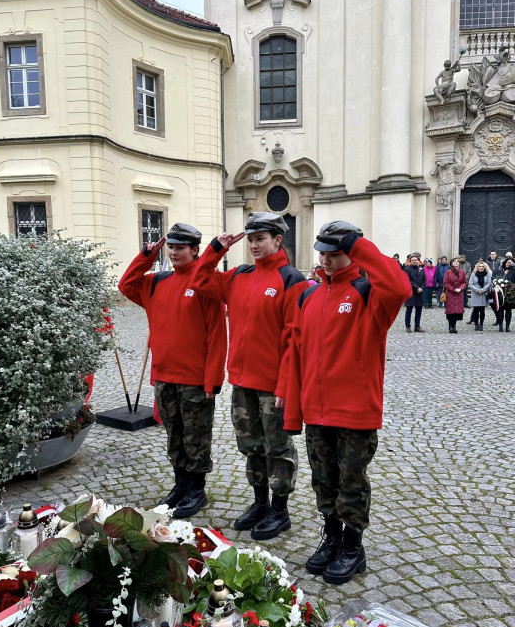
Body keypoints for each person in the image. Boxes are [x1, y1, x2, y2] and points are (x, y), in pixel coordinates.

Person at [284, 221, 411, 584]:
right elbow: (298, 354)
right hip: (316, 410)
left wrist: (359, 245)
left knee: (351, 482)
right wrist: (296, 408)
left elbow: (400, 285)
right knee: (324, 481)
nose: (325, 260)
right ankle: (332, 537)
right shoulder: (309, 296)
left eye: (334, 253)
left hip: (355, 412)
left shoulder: (369, 291)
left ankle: (353, 547)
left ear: (350, 253)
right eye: (322, 253)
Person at [192, 212, 307, 540]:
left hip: (274, 387)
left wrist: (287, 385)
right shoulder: (239, 276)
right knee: (252, 448)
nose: (254, 245)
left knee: (278, 450)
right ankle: (260, 503)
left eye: (261, 238)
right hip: (242, 382)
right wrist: (216, 249)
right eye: (251, 239)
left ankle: (280, 510)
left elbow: (294, 338)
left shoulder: (291, 279)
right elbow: (199, 280)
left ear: (277, 240)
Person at [118, 223, 227, 518]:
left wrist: (213, 379)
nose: (175, 252)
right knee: (174, 436)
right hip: (164, 376)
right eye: (172, 247)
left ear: (195, 250)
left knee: (196, 437)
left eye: (182, 247)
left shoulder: (206, 283)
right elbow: (126, 285)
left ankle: (196, 491)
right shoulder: (156, 282)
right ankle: (180, 485)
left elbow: (217, 335)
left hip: (194, 379)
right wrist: (145, 256)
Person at [443, 257, 467, 333]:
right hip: (451, 293)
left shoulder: (462, 272)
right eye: (454, 261)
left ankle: (454, 326)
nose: (456, 263)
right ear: (451, 264)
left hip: (459, 294)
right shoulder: (448, 272)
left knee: (457, 311)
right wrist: (453, 289)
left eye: (457, 261)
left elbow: (465, 282)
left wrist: (461, 288)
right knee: (451, 311)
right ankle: (450, 326)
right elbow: (445, 283)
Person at [403, 254, 426, 332]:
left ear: (418, 261)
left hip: (420, 292)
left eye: (416, 260)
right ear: (410, 261)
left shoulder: (421, 269)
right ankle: (408, 326)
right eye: (413, 260)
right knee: (409, 309)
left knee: (419, 310)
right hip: (411, 292)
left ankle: (417, 326)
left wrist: (422, 288)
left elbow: (424, 280)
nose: (414, 261)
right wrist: (417, 288)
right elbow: (408, 280)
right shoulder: (407, 269)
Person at [468, 262, 492, 331]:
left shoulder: (488, 274)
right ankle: (476, 324)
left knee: (482, 310)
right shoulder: (473, 274)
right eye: (480, 266)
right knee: (476, 310)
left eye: (482, 266)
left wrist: (483, 290)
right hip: (475, 294)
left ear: (484, 267)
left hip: (483, 294)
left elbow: (489, 283)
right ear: (477, 267)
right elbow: (470, 283)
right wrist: (477, 290)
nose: (481, 267)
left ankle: (481, 324)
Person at [496, 256, 515, 332]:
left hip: (510, 294)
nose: (508, 264)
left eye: (510, 262)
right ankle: (500, 326)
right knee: (500, 310)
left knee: (508, 310)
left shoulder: (513, 271)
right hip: (500, 294)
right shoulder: (499, 270)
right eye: (507, 262)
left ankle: (507, 326)